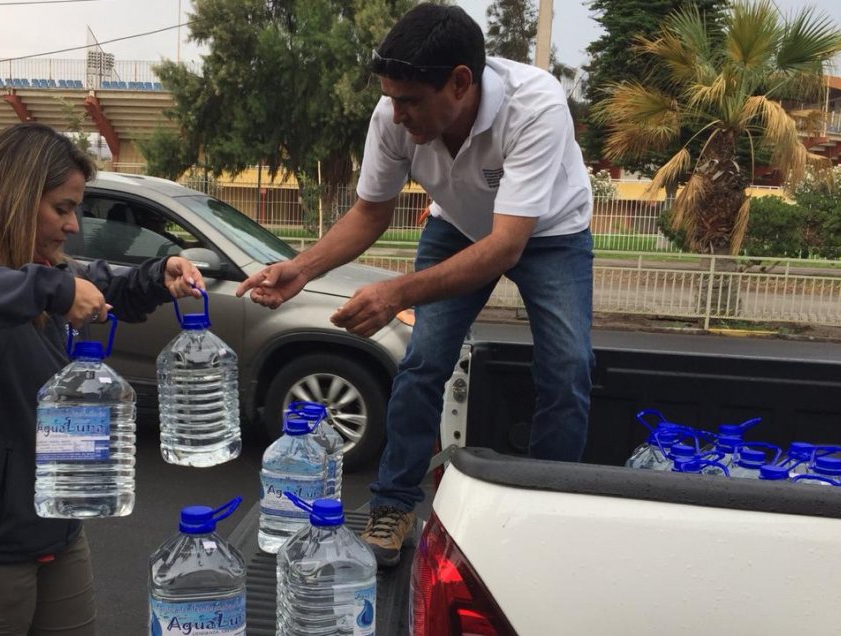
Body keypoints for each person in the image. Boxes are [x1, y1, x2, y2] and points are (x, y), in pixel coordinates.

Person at [236, 2, 594, 568]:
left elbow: (506, 245)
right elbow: (370, 212)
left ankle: (546, 509)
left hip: (550, 233)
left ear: (460, 83)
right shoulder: (392, 116)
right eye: (391, 98)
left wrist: (396, 293)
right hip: (456, 227)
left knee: (567, 367)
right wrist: (301, 269)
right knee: (423, 361)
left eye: (410, 101)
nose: (397, 114)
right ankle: (393, 505)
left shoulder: (535, 106)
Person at [0, 122, 204, 634]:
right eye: (62, 208)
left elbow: (105, 287)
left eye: (75, 209)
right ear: (15, 200)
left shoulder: (43, 271)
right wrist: (53, 289)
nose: (72, 225)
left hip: (56, 533)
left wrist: (159, 275)